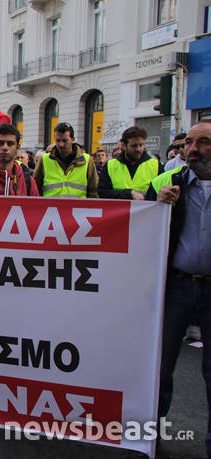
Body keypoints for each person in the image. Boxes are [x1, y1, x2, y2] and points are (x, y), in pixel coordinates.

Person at [146, 120, 211, 458]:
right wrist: (157, 203)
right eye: (190, 142)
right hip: (178, 286)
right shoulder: (171, 182)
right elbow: (139, 214)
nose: (194, 149)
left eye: (203, 143)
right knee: (160, 365)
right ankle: (149, 437)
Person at [33, 122, 99, 198]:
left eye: (65, 141)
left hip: (78, 208)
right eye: (58, 141)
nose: (61, 144)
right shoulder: (44, 159)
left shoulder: (87, 160)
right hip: (51, 208)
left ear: (72, 139)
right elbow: (35, 187)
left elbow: (93, 190)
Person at [99, 126, 162, 200]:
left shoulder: (155, 165)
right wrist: (128, 194)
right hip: (120, 211)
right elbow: (102, 192)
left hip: (146, 211)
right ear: (124, 146)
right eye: (134, 146)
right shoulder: (110, 165)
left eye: (141, 145)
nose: (138, 149)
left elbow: (162, 191)